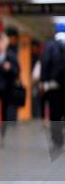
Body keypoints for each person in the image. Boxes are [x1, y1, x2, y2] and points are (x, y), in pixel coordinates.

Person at [40, 22, 65, 151]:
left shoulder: (49, 46)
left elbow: (44, 63)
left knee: (55, 115)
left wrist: (44, 82)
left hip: (54, 87)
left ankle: (57, 141)